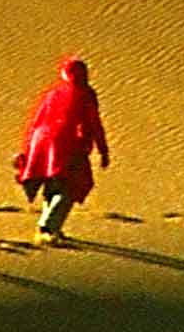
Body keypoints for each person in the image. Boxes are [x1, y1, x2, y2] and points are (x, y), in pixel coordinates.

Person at [13, 55, 111, 242]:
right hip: (66, 141)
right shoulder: (85, 93)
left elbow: (36, 121)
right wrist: (102, 150)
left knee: (53, 183)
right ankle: (49, 226)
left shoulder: (53, 93)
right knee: (69, 187)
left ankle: (48, 224)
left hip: (41, 140)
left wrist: (28, 150)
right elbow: (93, 123)